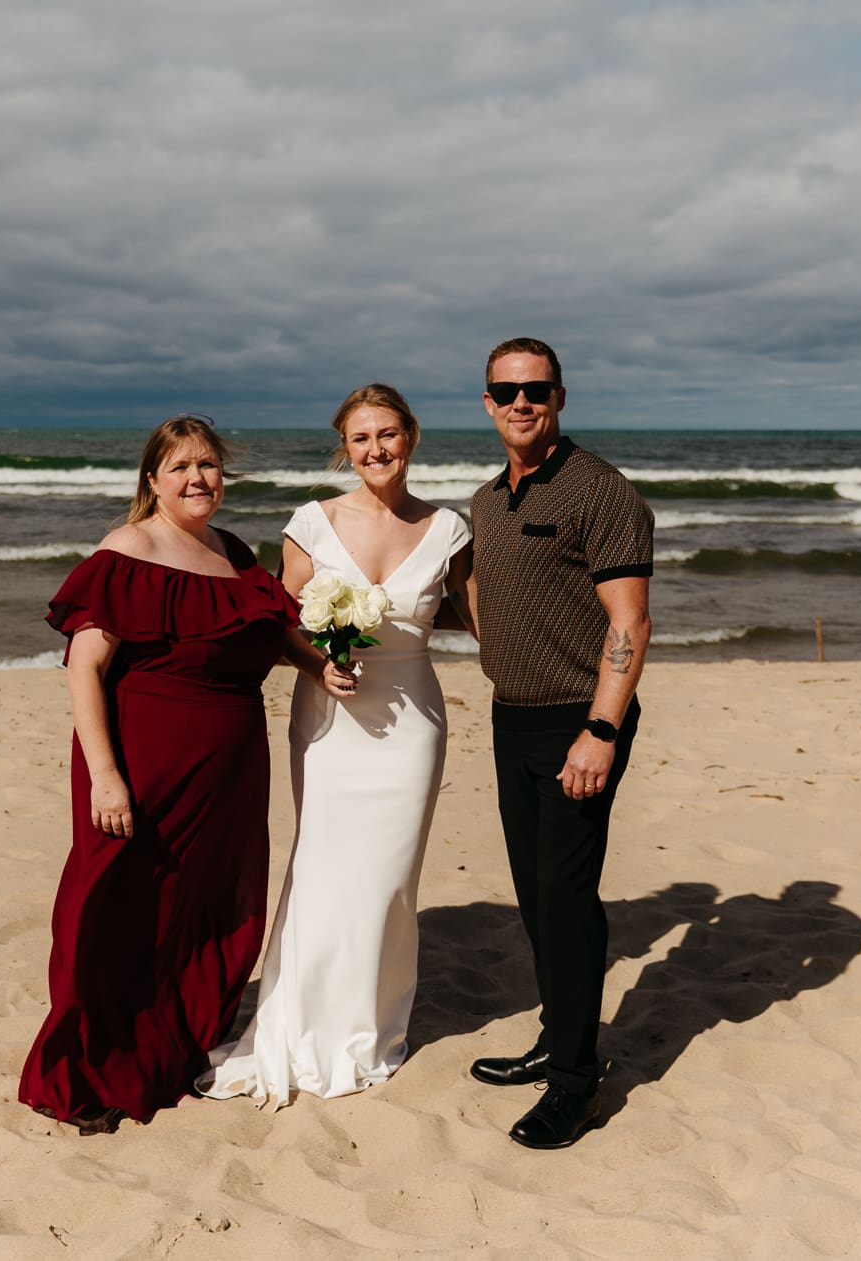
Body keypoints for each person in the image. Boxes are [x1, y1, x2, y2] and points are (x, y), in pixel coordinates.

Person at [17, 415, 300, 1132]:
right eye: (179, 467)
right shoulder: (129, 549)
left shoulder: (233, 553)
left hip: (229, 774)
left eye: (208, 465)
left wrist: (326, 659)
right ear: (152, 480)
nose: (197, 478)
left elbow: (265, 630)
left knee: (205, 906)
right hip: (144, 762)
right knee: (115, 905)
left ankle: (175, 1046)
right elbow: (86, 666)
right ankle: (95, 1068)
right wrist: (106, 775)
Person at [202, 384, 476, 1107]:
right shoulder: (311, 524)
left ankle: (368, 1024)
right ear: (345, 448)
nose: (377, 449)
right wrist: (317, 660)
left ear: (411, 436)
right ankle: (302, 1021)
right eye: (362, 438)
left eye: (388, 433)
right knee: (324, 863)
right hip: (329, 716)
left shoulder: (450, 528)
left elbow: (484, 622)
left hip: (413, 720)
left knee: (389, 877)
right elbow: (280, 620)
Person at [465, 337, 654, 1150]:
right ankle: (556, 1035)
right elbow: (482, 596)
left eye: (536, 390)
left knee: (569, 902)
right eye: (506, 392)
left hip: (581, 719)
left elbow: (630, 621)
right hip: (512, 716)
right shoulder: (483, 499)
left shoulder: (600, 492)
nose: (521, 403)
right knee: (537, 897)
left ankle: (576, 1083)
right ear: (487, 403)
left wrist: (602, 730)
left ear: (560, 397)